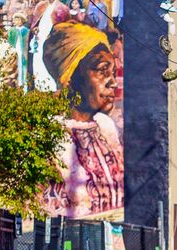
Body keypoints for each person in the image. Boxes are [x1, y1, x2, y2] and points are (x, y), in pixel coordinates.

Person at [41, 22, 124, 218]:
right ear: (70, 78)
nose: (112, 82)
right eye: (102, 71)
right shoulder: (51, 136)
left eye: (112, 72)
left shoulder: (106, 129)